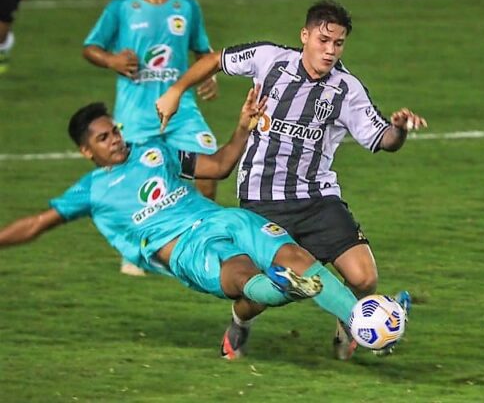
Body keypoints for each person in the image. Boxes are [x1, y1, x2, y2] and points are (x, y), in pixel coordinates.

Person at [0, 87, 364, 361]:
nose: (115, 140)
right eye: (103, 138)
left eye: (114, 131)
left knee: (292, 254)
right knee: (243, 277)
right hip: (186, 247)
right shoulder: (91, 190)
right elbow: (36, 223)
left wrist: (242, 127)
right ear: (86, 151)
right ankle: (277, 295)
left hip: (221, 218)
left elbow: (219, 165)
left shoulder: (153, 153)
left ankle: (363, 322)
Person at [156, 0, 425, 360]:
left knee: (364, 278)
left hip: (317, 199)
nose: (330, 51)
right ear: (305, 36)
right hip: (262, 201)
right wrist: (176, 91)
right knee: (270, 292)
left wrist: (399, 128)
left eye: (338, 43)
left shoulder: (346, 90)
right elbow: (216, 59)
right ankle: (239, 323)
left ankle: (352, 328)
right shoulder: (269, 59)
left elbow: (382, 141)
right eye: (323, 40)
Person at [83, 0, 219, 276]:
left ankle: (205, 239)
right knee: (136, 180)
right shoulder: (122, 8)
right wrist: (112, 60)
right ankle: (136, 250)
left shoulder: (186, 7)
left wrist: (208, 74)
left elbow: (202, 51)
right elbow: (91, 47)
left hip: (179, 108)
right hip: (136, 111)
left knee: (210, 166)